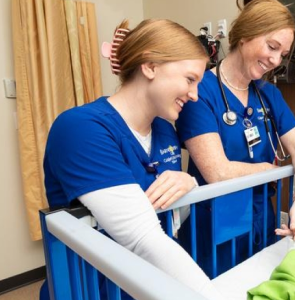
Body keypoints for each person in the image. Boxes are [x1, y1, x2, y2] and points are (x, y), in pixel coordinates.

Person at [42, 19, 224, 300]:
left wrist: (188, 183)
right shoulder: (81, 128)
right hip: (94, 289)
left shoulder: (164, 130)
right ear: (150, 65)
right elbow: (142, 238)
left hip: (148, 284)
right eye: (190, 79)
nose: (195, 95)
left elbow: (170, 213)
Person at [175, 0, 295, 276]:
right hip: (217, 222)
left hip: (263, 216)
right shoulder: (200, 91)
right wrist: (268, 171)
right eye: (272, 47)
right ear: (245, 35)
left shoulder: (268, 94)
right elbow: (218, 172)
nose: (276, 61)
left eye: (283, 53)